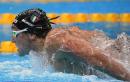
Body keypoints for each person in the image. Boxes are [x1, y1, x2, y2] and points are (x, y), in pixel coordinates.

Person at [11, 8, 130, 81]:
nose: (12, 40)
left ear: (31, 34)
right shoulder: (40, 53)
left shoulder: (55, 40)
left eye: (15, 32)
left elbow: (96, 58)